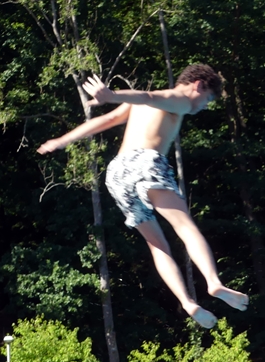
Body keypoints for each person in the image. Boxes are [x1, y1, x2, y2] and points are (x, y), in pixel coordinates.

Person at [37, 64, 249, 328]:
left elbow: (106, 120)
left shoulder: (137, 104)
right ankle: (214, 282)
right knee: (185, 228)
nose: (204, 106)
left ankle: (187, 302)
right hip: (146, 164)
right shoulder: (180, 99)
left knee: (157, 245)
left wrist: (62, 140)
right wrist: (112, 95)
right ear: (198, 85)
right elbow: (149, 96)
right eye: (207, 99)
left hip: (117, 173)